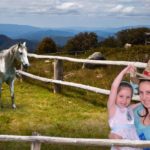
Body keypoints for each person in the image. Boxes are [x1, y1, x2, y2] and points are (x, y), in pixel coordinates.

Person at [109, 60, 150, 150]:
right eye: (141, 93)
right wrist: (125, 72)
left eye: (148, 92)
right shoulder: (116, 110)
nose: (144, 97)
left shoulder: (131, 110)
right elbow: (115, 87)